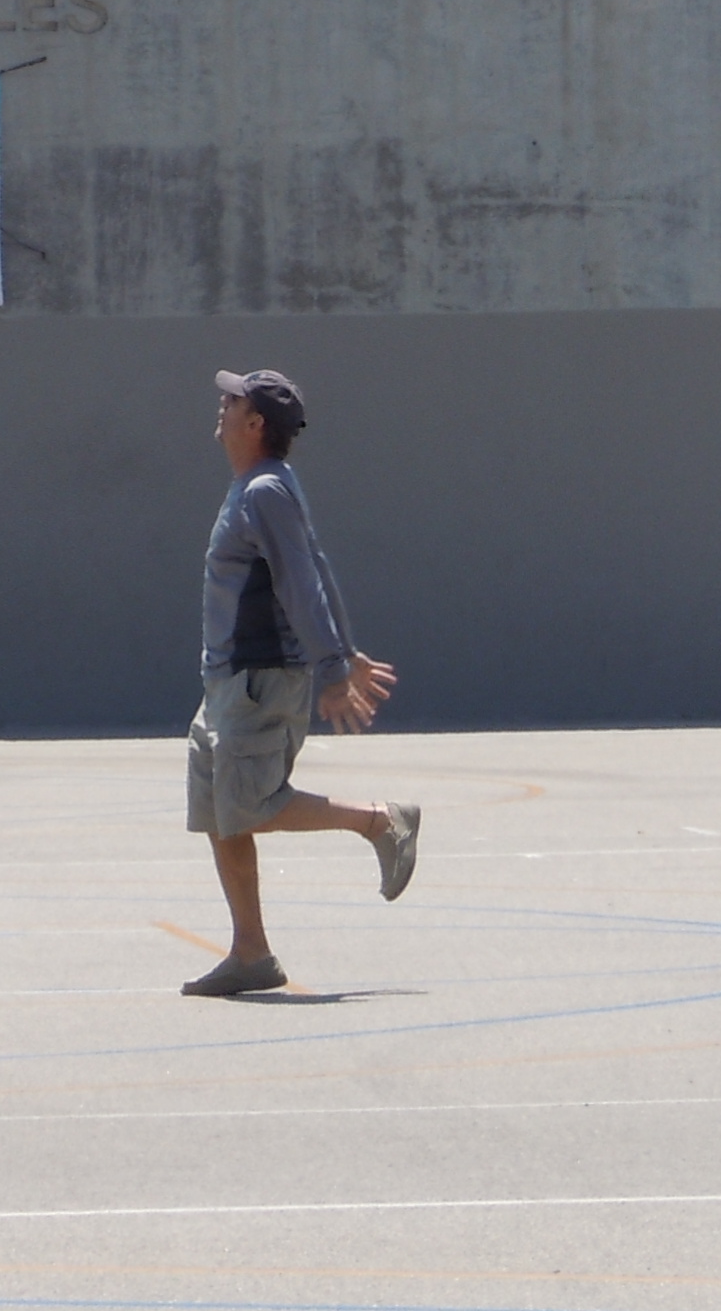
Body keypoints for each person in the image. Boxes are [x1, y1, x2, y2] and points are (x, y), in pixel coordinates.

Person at [180, 368, 419, 999]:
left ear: (255, 423)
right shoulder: (260, 487)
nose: (222, 406)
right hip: (228, 679)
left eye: (232, 401)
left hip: (259, 681)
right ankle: (251, 953)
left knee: (252, 803)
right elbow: (314, 567)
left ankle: (379, 822)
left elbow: (301, 582)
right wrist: (342, 649)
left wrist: (335, 668)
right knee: (221, 813)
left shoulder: (264, 490)